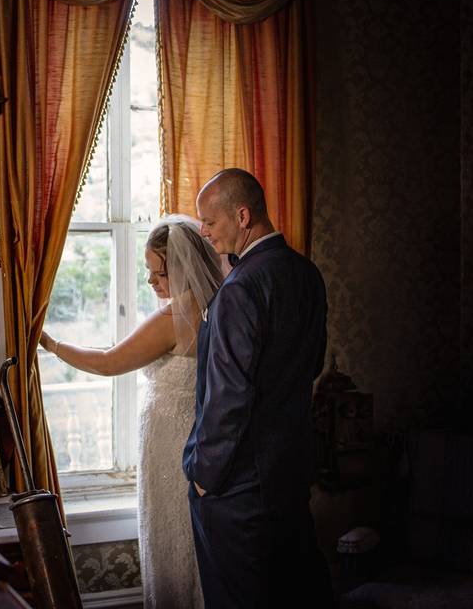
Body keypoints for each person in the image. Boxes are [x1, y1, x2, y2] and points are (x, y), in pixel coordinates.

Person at [40, 214, 223, 609]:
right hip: (197, 443)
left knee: (172, 541)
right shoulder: (220, 304)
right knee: (192, 544)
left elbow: (108, 363)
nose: (150, 282)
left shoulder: (176, 316)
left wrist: (51, 344)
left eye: (157, 273)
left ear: (179, 267)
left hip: (170, 449)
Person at [183, 168, 333, 608]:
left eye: (210, 222)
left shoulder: (239, 288)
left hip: (239, 490)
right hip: (290, 476)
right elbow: (313, 364)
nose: (205, 232)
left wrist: (205, 478)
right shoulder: (308, 274)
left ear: (243, 215)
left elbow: (227, 397)